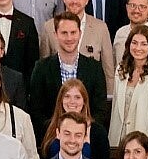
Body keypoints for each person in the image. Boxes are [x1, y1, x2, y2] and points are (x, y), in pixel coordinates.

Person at [29, 12, 108, 144]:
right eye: (64, 33)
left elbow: (100, 108)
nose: (69, 38)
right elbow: (36, 110)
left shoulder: (94, 68)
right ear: (55, 35)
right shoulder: (41, 68)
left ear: (80, 33)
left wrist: (83, 130)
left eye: (73, 32)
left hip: (87, 140)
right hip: (51, 140)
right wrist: (59, 131)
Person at [39, 0, 115, 94]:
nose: (75, 1)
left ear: (87, 0)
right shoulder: (49, 27)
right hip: (56, 98)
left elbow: (108, 70)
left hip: (90, 99)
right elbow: (44, 66)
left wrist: (109, 98)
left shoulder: (100, 28)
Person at [110, 24, 148, 144]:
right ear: (128, 44)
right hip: (118, 139)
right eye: (134, 42)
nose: (138, 48)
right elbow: (115, 111)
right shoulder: (121, 70)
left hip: (144, 141)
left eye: (144, 44)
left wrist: (146, 147)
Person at [39, 78, 111, 159]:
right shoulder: (48, 127)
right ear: (61, 100)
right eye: (67, 96)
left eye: (77, 97)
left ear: (84, 101)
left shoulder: (98, 132)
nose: (72, 102)